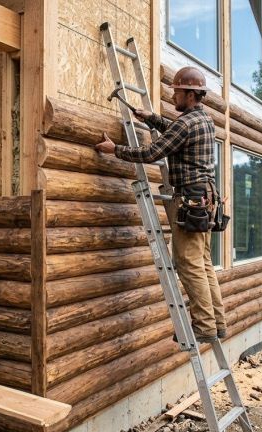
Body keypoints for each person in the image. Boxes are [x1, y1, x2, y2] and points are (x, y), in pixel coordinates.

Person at [94, 66, 225, 343]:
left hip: (190, 199)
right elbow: (176, 133)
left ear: (190, 94)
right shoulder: (204, 120)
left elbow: (153, 151)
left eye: (177, 92)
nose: (173, 96)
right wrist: (153, 119)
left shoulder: (186, 124)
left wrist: (114, 150)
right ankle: (217, 322)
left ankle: (203, 326)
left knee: (188, 264)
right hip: (205, 200)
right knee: (202, 263)